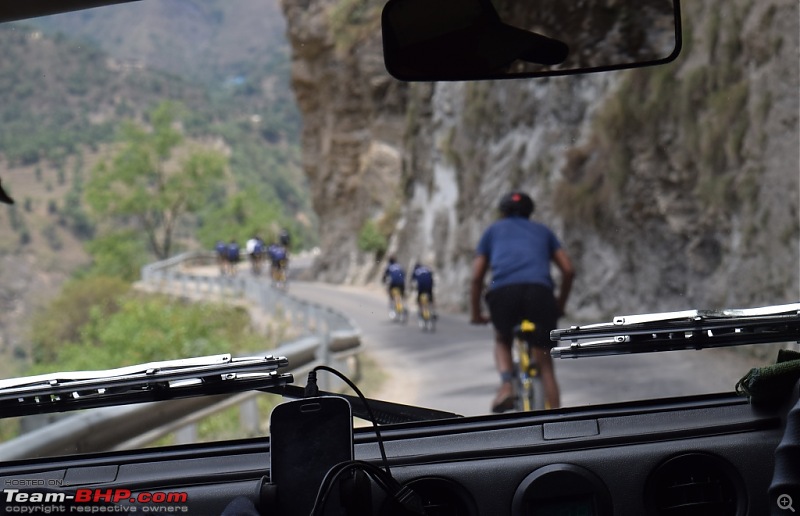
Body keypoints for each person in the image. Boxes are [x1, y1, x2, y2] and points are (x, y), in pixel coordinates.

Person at [470, 191, 575, 413]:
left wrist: (476, 314)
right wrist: (560, 305)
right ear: (530, 212)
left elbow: (477, 277)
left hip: (504, 293)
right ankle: (559, 419)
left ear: (502, 212)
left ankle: (507, 385)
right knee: (545, 362)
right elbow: (568, 270)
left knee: (502, 338)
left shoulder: (492, 231)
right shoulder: (543, 231)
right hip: (540, 293)